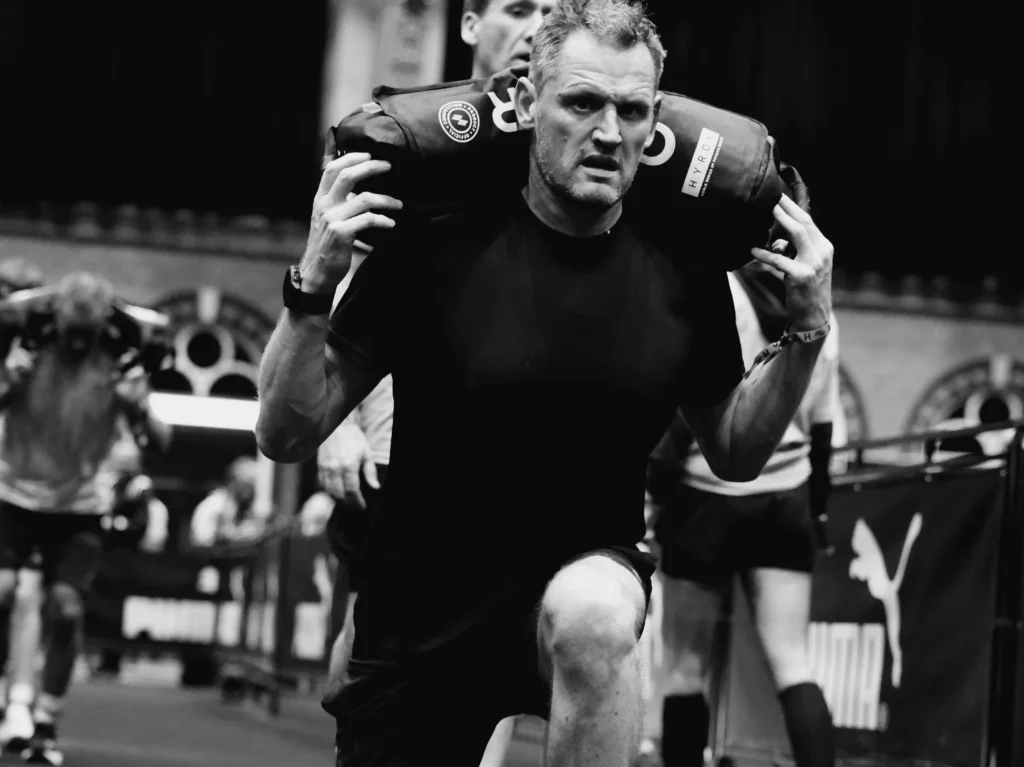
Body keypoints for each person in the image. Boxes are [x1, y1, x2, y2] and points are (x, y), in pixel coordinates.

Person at [256, 2, 835, 765]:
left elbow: (732, 446)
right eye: (582, 103)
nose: (607, 133)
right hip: (424, 609)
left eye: (631, 110)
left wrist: (806, 334)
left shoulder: (682, 268)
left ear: (655, 119)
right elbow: (285, 430)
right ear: (529, 103)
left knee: (594, 610)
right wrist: (311, 286)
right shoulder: (434, 239)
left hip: (584, 583)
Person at [315, 2, 554, 761]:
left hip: (510, 462)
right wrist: (344, 427)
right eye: (518, 9)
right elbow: (340, 284)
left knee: (487, 675)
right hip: (392, 452)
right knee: (353, 680)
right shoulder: (409, 137)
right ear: (470, 22)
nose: (534, 28)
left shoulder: (575, 148)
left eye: (552, 13)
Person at [647, 259, 844, 767]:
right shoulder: (818, 302)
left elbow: (687, 403)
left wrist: (656, 496)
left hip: (705, 495)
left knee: (685, 667)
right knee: (792, 661)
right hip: (787, 496)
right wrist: (817, 510)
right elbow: (824, 423)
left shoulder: (717, 290)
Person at [0, 272, 172, 764]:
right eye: (70, 331)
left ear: (100, 327)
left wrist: (137, 410)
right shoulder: (24, 350)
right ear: (55, 318)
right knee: (4, 593)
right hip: (13, 492)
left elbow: (160, 442)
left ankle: (46, 721)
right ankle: (9, 698)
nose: (77, 342)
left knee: (67, 610)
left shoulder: (120, 363)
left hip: (80, 504)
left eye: (87, 333)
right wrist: (11, 381)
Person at [189, 456, 270, 548]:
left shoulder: (239, 505)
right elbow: (202, 540)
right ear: (236, 482)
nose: (251, 491)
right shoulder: (215, 504)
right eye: (248, 485)